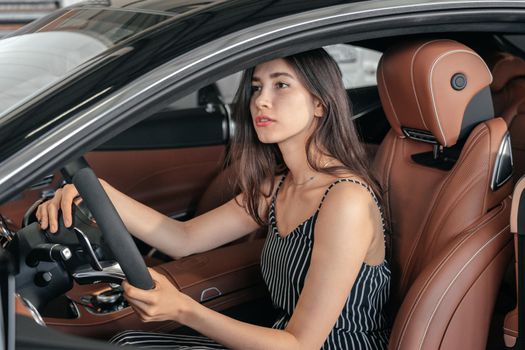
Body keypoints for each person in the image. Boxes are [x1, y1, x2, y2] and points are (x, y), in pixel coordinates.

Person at [36, 48, 391, 350]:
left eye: (281, 85)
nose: (261, 100)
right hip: (277, 339)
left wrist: (182, 309)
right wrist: (93, 191)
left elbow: (299, 344)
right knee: (128, 342)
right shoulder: (277, 186)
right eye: (256, 87)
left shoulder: (346, 200)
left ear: (319, 103)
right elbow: (183, 238)